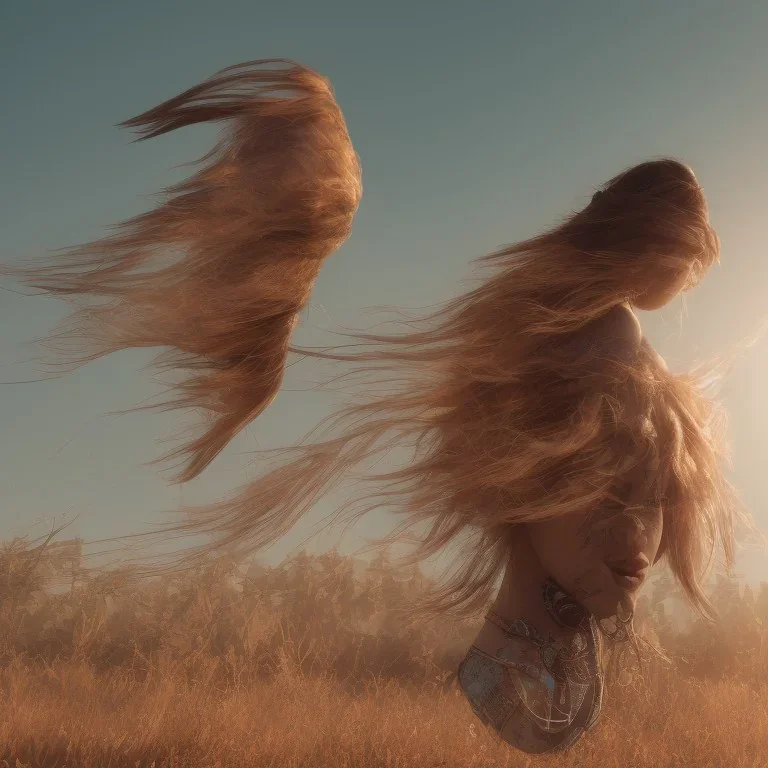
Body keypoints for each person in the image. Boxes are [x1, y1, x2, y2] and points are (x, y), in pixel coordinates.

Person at [2, 59, 758, 753]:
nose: (639, 533)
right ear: (519, 466)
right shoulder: (598, 346)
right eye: (606, 476)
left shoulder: (610, 355)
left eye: (656, 495)